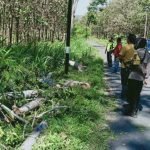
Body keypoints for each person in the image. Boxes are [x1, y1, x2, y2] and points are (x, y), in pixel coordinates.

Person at [125, 38, 150, 117]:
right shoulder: (147, 53)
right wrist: (146, 76)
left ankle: (132, 111)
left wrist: (129, 63)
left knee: (131, 94)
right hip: (141, 78)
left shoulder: (137, 52)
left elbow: (136, 64)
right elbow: (148, 66)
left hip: (133, 75)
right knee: (137, 94)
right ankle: (134, 111)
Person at [119, 34, 136, 99]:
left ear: (129, 39)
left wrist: (123, 60)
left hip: (124, 67)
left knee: (124, 82)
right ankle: (129, 96)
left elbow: (120, 56)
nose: (126, 39)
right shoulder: (136, 47)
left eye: (127, 38)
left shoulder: (126, 47)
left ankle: (123, 95)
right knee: (130, 82)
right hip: (133, 68)